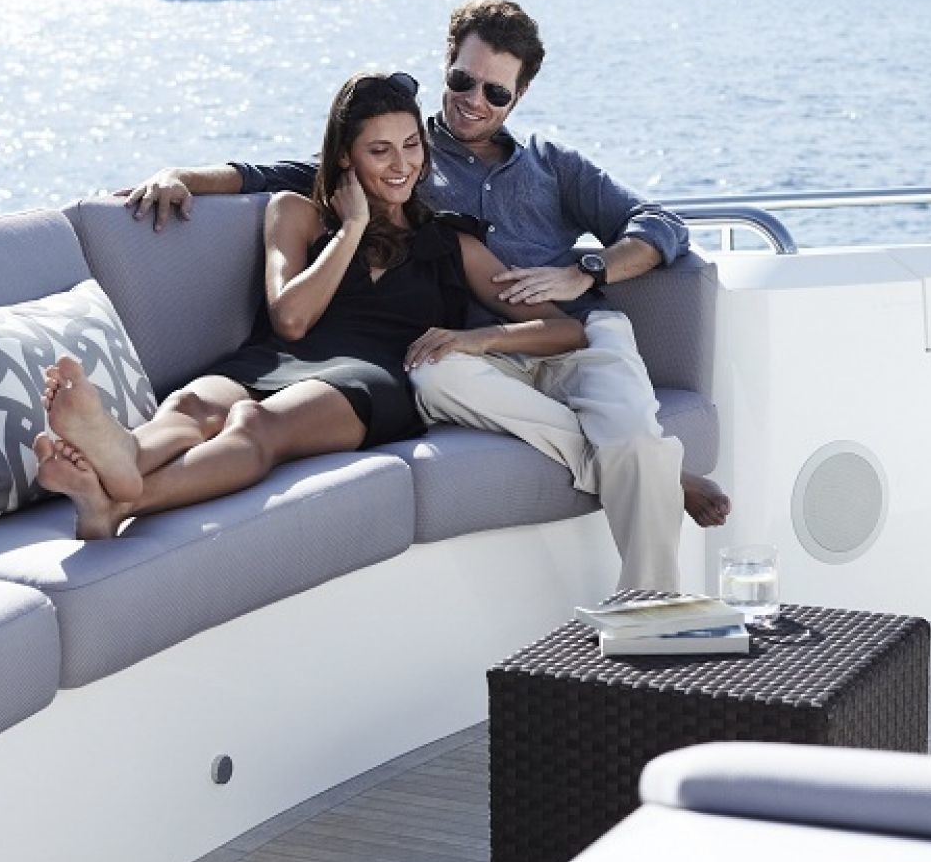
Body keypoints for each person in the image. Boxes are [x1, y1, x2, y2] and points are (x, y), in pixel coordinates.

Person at [125, 0, 728, 592]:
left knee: (627, 433)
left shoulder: (553, 165)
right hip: (470, 353)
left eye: (496, 91)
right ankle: (656, 473)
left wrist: (588, 271)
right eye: (463, 80)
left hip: (573, 334)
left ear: (519, 96)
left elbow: (661, 224)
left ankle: (652, 606)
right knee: (434, 374)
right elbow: (279, 175)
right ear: (447, 66)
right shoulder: (405, 153)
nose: (474, 100)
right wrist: (181, 176)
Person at [39, 70, 584, 540]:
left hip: (372, 378)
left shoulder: (451, 243)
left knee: (255, 424)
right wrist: (350, 229)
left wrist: (477, 339)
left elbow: (566, 331)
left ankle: (125, 497)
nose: (401, 165)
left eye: (411, 145)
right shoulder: (296, 213)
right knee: (191, 404)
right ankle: (122, 460)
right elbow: (292, 321)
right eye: (380, 150)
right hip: (277, 357)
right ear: (345, 155)